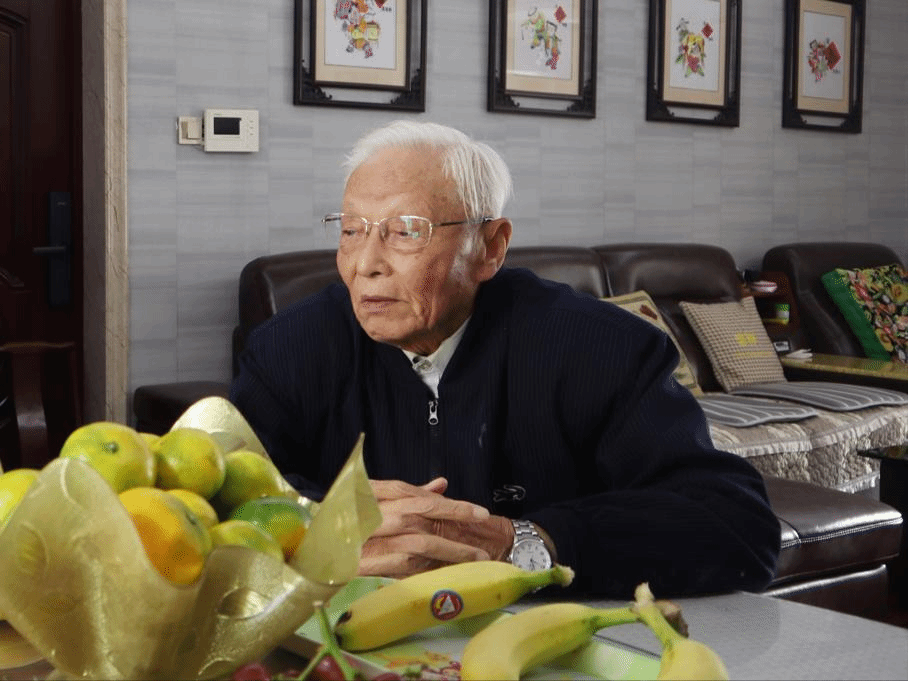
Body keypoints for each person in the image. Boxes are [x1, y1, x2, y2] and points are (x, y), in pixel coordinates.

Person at [230, 121, 781, 597]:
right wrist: (325, 522)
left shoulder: (600, 347)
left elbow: (735, 525)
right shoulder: (289, 348)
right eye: (351, 231)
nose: (365, 264)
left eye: (405, 231)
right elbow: (220, 503)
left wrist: (520, 544)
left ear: (490, 248)